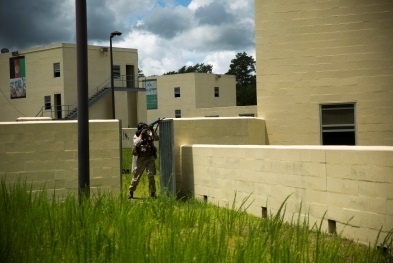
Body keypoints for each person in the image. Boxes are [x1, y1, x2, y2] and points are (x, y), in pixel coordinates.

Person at [128, 122, 159, 199]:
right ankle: (131, 192)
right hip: (141, 158)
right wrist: (141, 135)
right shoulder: (137, 135)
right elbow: (136, 143)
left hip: (150, 158)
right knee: (136, 177)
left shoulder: (150, 134)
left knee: (150, 175)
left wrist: (152, 130)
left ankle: (152, 193)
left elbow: (156, 138)